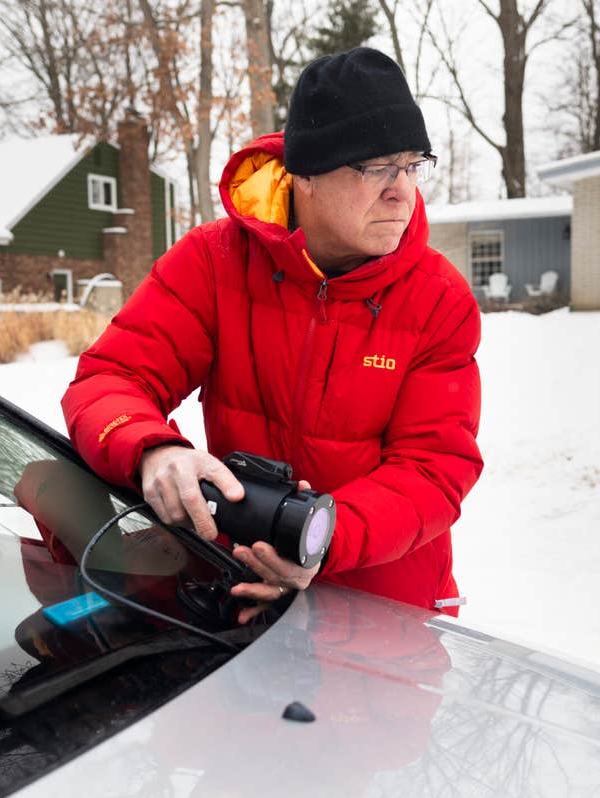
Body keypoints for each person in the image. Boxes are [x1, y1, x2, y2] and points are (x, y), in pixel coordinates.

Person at [61, 47, 483, 622]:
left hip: (384, 616)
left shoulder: (439, 299)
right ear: (305, 175)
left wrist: (322, 539)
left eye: (412, 164)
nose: (402, 191)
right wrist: (152, 448)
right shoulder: (214, 264)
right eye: (376, 166)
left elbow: (434, 468)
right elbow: (109, 379)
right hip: (237, 598)